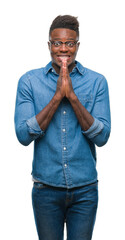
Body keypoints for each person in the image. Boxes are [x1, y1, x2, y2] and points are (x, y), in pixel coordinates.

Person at [14, 15, 111, 240]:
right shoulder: (29, 81)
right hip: (45, 190)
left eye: (69, 43)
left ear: (77, 45)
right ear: (49, 45)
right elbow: (22, 135)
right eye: (57, 43)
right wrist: (58, 96)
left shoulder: (97, 82)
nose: (63, 49)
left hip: (85, 190)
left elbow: (103, 136)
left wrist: (73, 98)